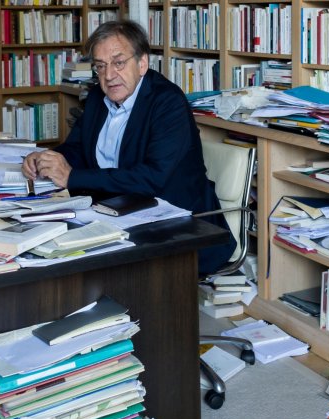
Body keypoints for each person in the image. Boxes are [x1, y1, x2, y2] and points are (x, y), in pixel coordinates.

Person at [22, 19, 235, 275]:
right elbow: (77, 148)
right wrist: (48, 159)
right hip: (114, 213)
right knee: (46, 249)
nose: (109, 75)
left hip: (175, 226)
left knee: (85, 268)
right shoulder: (98, 96)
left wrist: (72, 177)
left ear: (142, 63)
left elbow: (152, 178)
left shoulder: (168, 102)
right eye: (101, 66)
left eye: (118, 63)